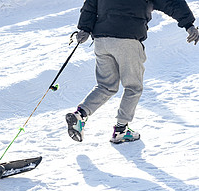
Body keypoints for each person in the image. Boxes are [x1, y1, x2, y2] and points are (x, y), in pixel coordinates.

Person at [66, 0, 199, 144]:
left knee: (105, 86)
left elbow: (91, 4)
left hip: (102, 40)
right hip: (128, 39)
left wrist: (84, 29)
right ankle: (121, 130)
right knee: (133, 87)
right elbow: (172, 3)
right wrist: (189, 25)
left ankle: (80, 115)